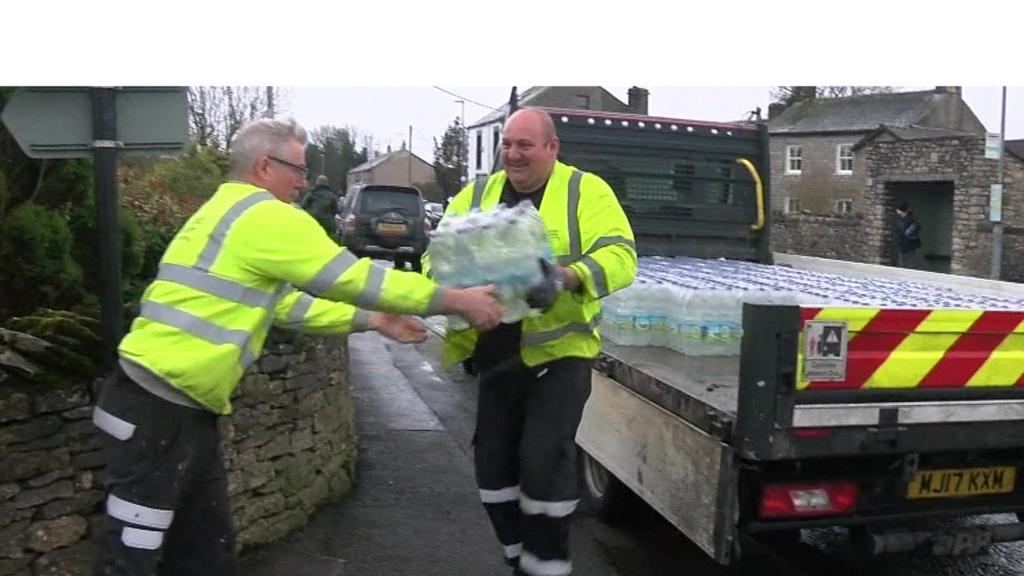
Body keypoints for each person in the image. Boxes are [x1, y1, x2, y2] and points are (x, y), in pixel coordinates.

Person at [91, 117, 502, 576]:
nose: (304, 183)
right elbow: (354, 277)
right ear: (265, 166)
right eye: (298, 170)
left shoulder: (222, 209)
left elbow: (284, 306)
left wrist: (369, 320)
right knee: (131, 556)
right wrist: (454, 300)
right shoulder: (266, 215)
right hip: (159, 410)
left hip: (174, 408)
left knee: (206, 552)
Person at [424, 107, 637, 576]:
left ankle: (547, 565)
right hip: (496, 354)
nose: (513, 155)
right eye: (507, 144)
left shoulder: (584, 190)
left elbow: (622, 255)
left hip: (560, 358)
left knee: (543, 465)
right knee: (492, 471)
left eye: (525, 145)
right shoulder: (476, 194)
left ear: (552, 148)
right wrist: (454, 293)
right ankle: (518, 552)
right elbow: (433, 255)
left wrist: (567, 276)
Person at [895, 201, 923, 268]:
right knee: (903, 262)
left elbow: (912, 229)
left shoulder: (911, 219)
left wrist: (906, 234)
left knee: (911, 261)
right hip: (903, 243)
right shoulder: (902, 219)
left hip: (911, 243)